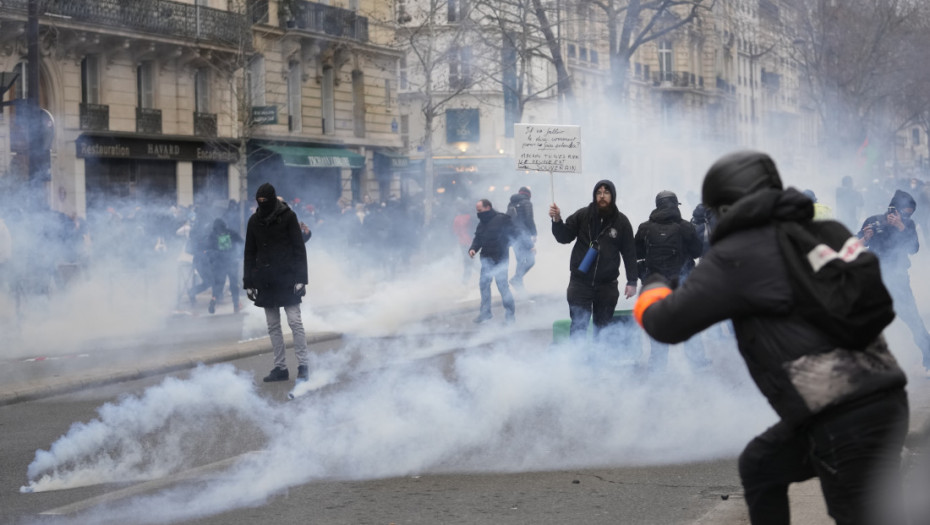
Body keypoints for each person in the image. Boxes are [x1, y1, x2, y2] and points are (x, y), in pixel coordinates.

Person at [634, 151, 909, 525]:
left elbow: (665, 325)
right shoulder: (822, 230)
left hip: (839, 417)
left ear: (726, 208)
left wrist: (653, 283)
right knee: (761, 464)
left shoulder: (736, 254)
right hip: (887, 398)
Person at [549, 180, 637, 339]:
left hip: (607, 285)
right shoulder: (582, 216)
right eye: (599, 193)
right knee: (578, 326)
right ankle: (577, 361)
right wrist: (557, 220)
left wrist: (632, 281)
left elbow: (630, 253)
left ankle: (598, 362)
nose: (602, 196)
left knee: (602, 329)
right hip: (580, 283)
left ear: (613, 196)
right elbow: (563, 237)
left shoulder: (622, 222)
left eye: (606, 192)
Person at [243, 183, 310, 383]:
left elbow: (299, 249)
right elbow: (249, 253)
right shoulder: (254, 221)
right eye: (259, 201)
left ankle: (303, 365)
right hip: (266, 280)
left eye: (265, 201)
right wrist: (249, 282)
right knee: (273, 325)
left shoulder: (289, 217)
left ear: (272, 200)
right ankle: (280, 368)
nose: (262, 204)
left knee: (295, 322)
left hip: (288, 277)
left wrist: (301, 278)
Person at [859, 189, 930, 374]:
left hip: (898, 280)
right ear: (894, 208)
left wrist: (901, 226)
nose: (907, 216)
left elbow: (914, 248)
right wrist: (865, 238)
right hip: (875, 280)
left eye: (909, 214)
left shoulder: (908, 225)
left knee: (914, 321)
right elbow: (853, 247)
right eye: (905, 212)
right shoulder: (873, 221)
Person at [634, 190, 704, 372]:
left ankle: (657, 369)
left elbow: (637, 253)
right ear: (675, 204)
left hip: (655, 287)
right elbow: (697, 252)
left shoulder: (645, 228)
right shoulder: (685, 227)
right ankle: (699, 366)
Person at [468, 198, 515, 324]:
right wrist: (473, 249)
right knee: (484, 285)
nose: (478, 213)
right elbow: (477, 239)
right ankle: (485, 313)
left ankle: (510, 315)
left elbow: (515, 234)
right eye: (477, 211)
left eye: (480, 210)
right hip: (486, 258)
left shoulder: (502, 219)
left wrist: (526, 246)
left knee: (502, 286)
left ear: (488, 207)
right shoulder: (481, 224)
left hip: (500, 258)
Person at [206, 218, 243, 314]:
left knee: (219, 284)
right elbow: (241, 242)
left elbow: (209, 250)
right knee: (234, 284)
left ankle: (214, 299)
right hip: (232, 262)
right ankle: (236, 305)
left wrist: (212, 261)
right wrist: (239, 254)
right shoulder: (231, 233)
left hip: (219, 264)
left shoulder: (212, 235)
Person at [507, 186, 537, 291]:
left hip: (513, 237)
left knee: (520, 261)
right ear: (528, 195)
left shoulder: (511, 204)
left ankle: (521, 291)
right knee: (531, 260)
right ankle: (517, 279)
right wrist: (534, 233)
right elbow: (529, 219)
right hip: (523, 235)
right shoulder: (526, 202)